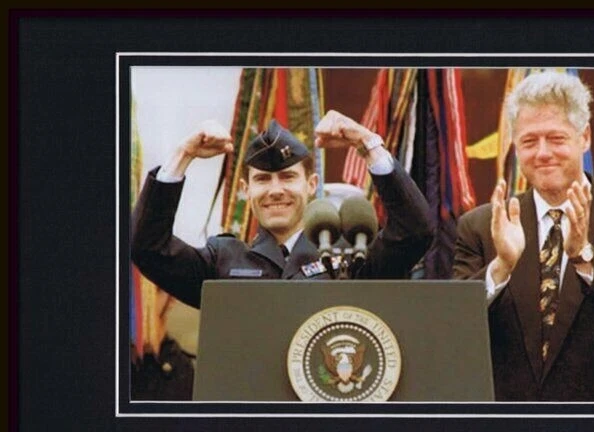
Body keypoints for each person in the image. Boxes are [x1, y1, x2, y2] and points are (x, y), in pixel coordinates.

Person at [453, 71, 594, 401]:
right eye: (529, 142)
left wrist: (585, 257)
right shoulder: (482, 226)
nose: (543, 153)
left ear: (584, 137)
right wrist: (501, 267)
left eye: (556, 138)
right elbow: (454, 330)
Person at [132, 110, 433, 309]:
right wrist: (182, 154)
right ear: (245, 189)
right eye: (262, 179)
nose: (275, 190)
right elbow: (146, 247)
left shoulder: (353, 257)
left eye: (288, 177)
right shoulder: (221, 261)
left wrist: (368, 144)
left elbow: (415, 231)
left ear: (312, 184)